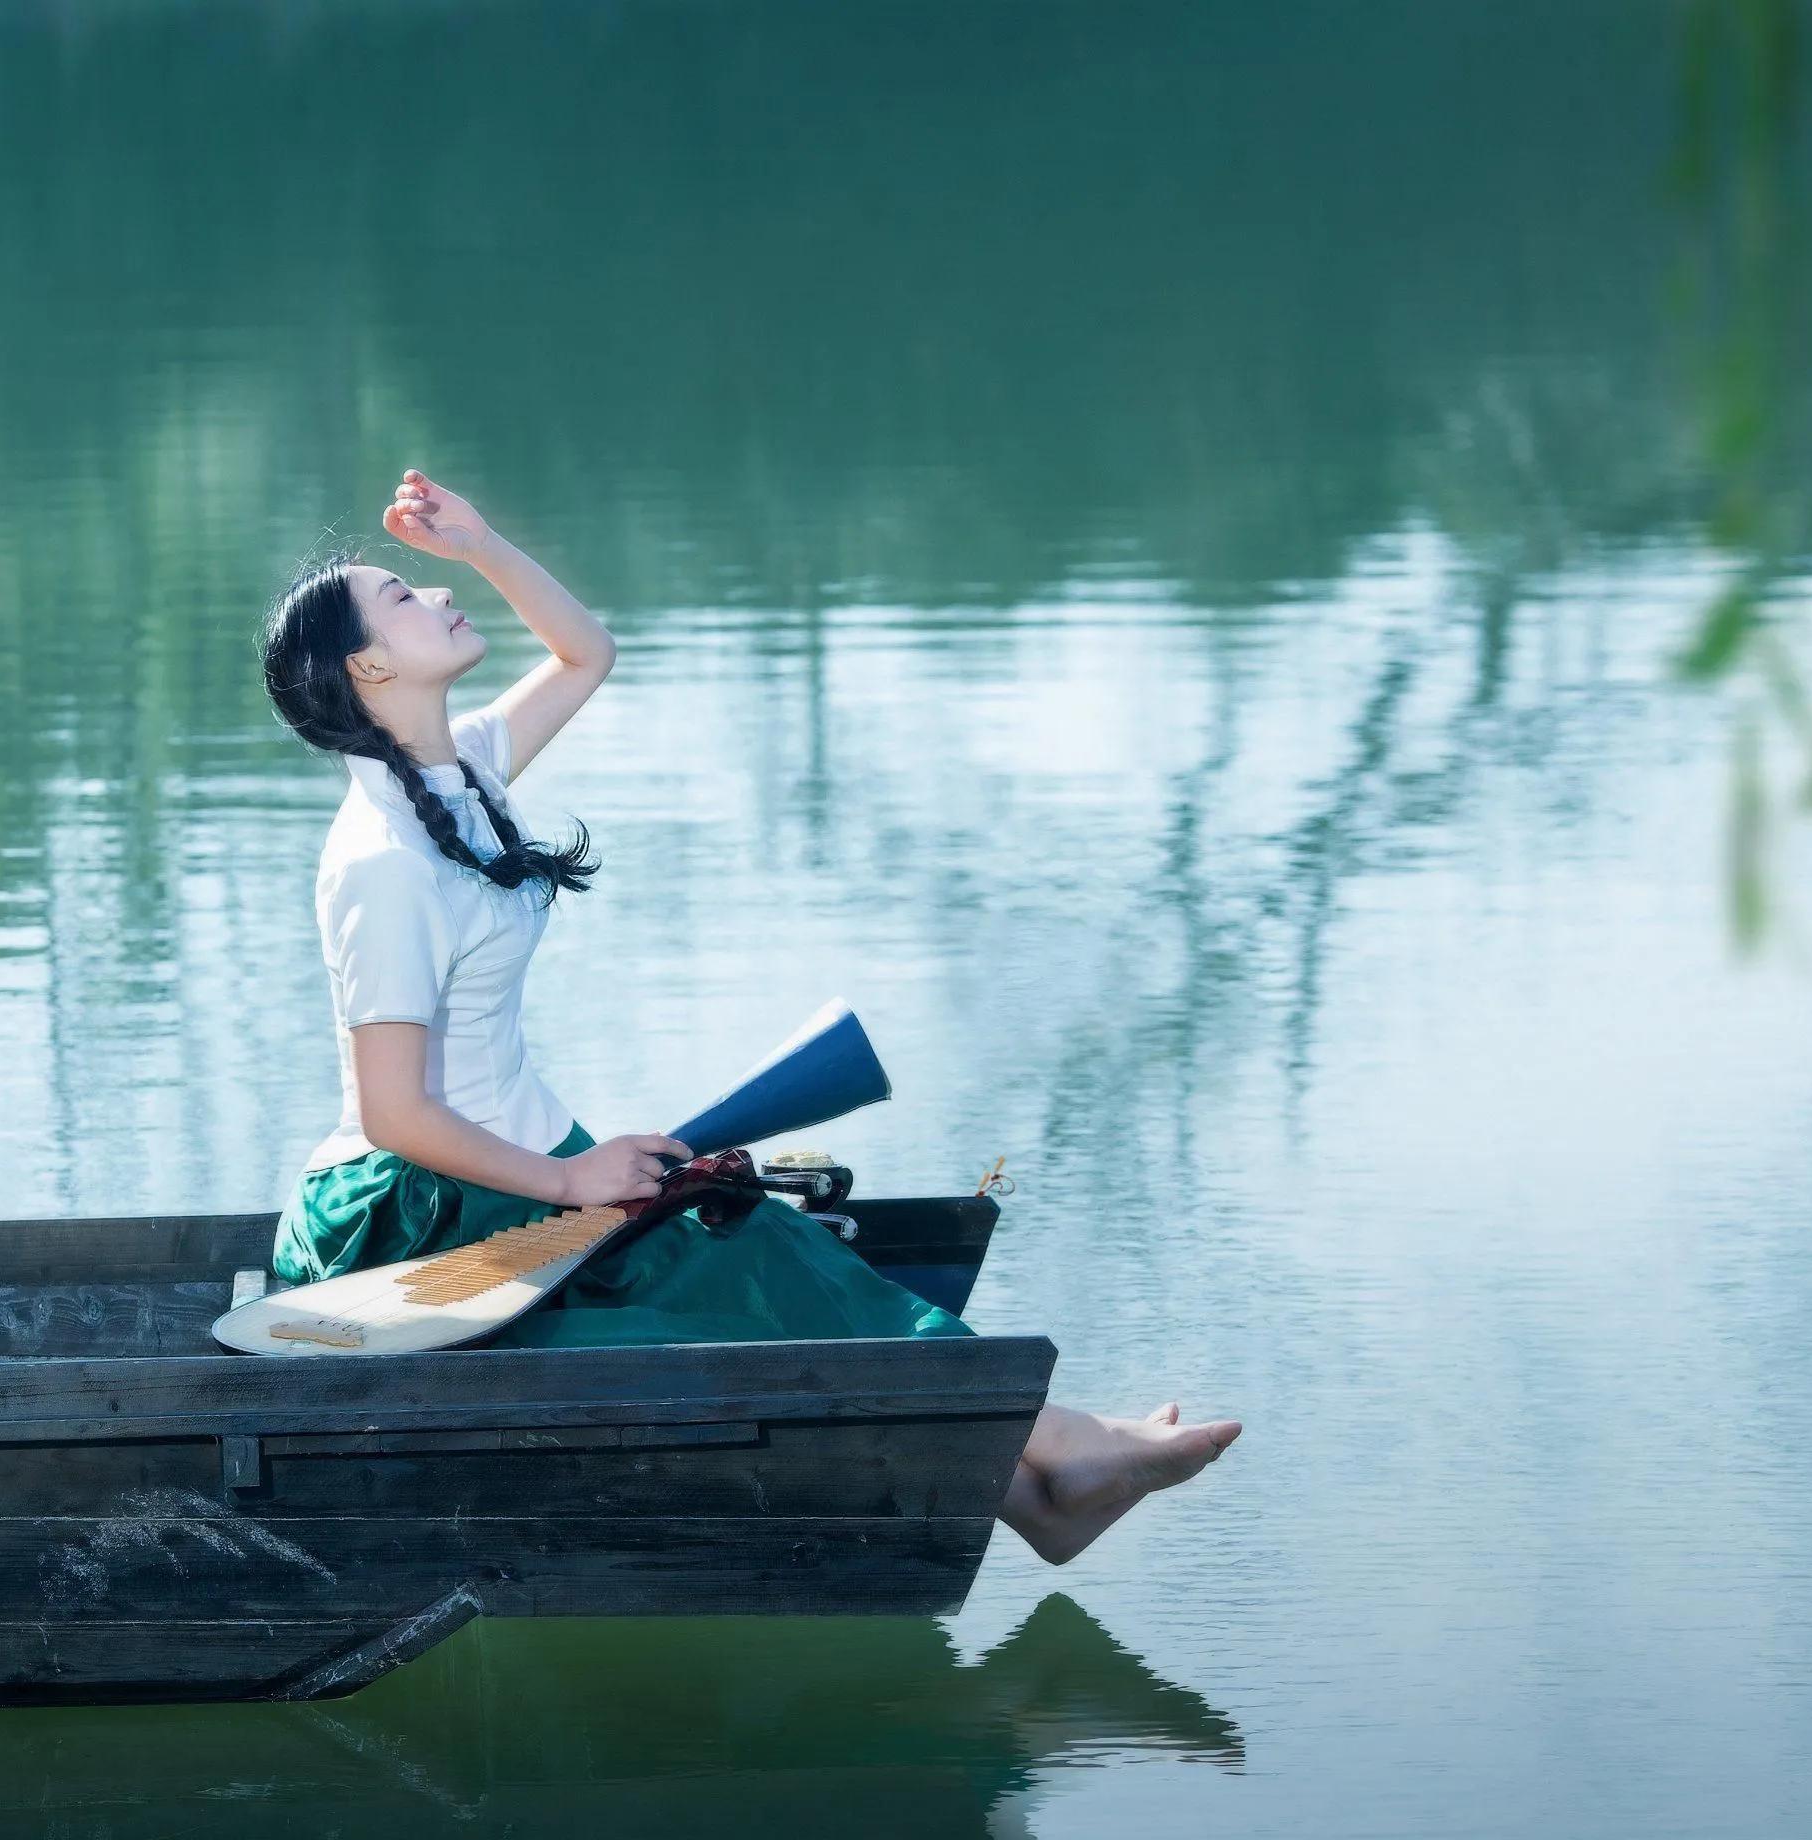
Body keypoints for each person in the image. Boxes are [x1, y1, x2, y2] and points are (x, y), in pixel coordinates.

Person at [260, 470, 1237, 1564]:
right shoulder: (379, 860)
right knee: (749, 1269)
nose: (435, 596)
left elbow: (587, 651)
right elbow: (394, 1112)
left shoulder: (464, 768)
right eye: (404, 596)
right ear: (368, 667)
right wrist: (576, 1182)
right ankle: (1058, 1465)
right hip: (425, 1203)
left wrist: (478, 542)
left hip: (521, 1153)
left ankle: (1044, 1478)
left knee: (772, 1247)